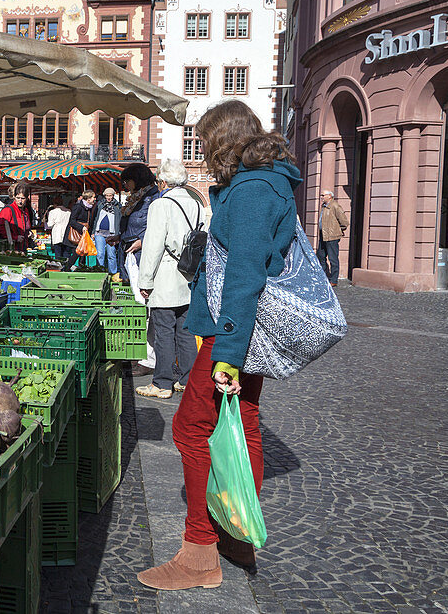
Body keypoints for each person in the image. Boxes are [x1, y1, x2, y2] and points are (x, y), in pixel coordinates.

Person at [137, 100, 301, 592]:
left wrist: (227, 355)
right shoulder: (266, 183)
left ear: (224, 142)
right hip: (243, 328)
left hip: (234, 332)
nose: (203, 155)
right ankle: (236, 534)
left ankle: (199, 552)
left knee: (190, 429)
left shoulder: (252, 190)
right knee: (243, 423)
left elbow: (245, 275)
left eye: (206, 144)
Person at [135, 160, 205, 399]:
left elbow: (153, 246)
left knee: (163, 331)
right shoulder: (197, 203)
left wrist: (145, 281)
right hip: (188, 275)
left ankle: (162, 383)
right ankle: (188, 379)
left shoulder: (161, 205)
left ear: (163, 182)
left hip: (165, 276)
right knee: (185, 330)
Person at [117, 163, 159, 280]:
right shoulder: (135, 198)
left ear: (138, 179)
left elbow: (158, 228)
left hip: (142, 255)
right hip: (129, 252)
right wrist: (120, 237)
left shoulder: (154, 198)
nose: (125, 184)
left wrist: (142, 241)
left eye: (127, 181)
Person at [317, 189, 349, 287]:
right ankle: (323, 277)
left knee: (333, 259)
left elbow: (344, 222)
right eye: (321, 195)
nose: (321, 197)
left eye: (323, 195)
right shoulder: (324, 207)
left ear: (330, 196)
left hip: (332, 237)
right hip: (323, 235)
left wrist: (336, 231)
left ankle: (334, 280)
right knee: (320, 256)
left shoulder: (335, 206)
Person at [0, 184, 36, 251]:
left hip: (23, 247)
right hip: (11, 248)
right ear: (14, 197)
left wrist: (29, 232)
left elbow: (26, 226)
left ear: (26, 198)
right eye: (18, 198)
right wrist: (15, 237)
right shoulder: (8, 210)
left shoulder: (26, 210)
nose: (20, 201)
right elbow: (0, 228)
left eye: (22, 198)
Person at [63, 191, 97, 270]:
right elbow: (72, 221)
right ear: (88, 199)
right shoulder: (78, 207)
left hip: (83, 234)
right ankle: (66, 268)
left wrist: (91, 232)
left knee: (82, 252)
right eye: (93, 197)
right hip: (75, 233)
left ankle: (81, 268)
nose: (94, 199)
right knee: (77, 252)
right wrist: (81, 227)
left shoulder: (89, 208)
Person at [94, 188, 122, 278]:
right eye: (107, 195)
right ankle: (100, 272)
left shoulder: (117, 206)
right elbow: (96, 218)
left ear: (113, 196)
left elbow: (119, 220)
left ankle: (112, 274)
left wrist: (118, 233)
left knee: (111, 255)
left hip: (112, 234)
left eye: (110, 195)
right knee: (100, 254)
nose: (108, 197)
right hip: (99, 233)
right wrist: (93, 231)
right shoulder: (100, 204)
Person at [46, 199, 73, 263]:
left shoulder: (52, 212)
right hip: (66, 235)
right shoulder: (68, 211)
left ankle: (59, 269)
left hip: (57, 235)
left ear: (55, 204)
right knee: (66, 255)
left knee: (58, 256)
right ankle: (66, 268)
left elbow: (50, 225)